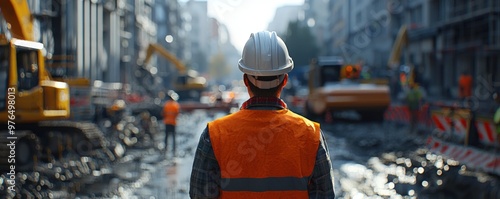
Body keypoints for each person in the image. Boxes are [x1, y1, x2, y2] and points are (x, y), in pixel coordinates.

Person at [189, 31, 335, 198]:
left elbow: (199, 195)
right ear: (285, 80)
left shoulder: (214, 135)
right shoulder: (311, 135)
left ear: (245, 80)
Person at [162, 90, 180, 158]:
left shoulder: (166, 105)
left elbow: (163, 114)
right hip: (173, 123)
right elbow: (177, 114)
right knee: (173, 137)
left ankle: (166, 150)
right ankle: (174, 151)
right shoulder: (175, 105)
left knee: (166, 137)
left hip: (167, 123)